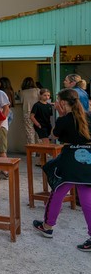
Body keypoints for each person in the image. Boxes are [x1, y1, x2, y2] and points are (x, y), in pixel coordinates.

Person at [32, 88, 91, 252]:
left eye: (58, 102)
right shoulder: (89, 116)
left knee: (58, 191)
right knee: (87, 196)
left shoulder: (64, 120)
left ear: (63, 103)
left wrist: (59, 115)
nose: (56, 104)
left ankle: (48, 226)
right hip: (88, 158)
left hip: (70, 159)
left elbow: (54, 135)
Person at [20, 77, 41, 145]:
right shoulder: (38, 90)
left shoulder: (22, 92)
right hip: (37, 113)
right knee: (39, 132)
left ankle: (32, 151)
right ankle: (40, 150)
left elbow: (21, 101)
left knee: (30, 132)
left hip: (27, 112)